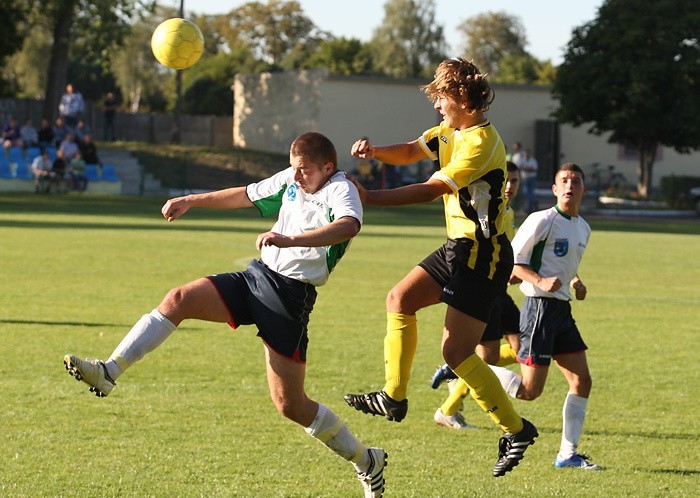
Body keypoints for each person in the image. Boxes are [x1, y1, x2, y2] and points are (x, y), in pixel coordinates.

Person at [62, 131, 388, 497]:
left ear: (328, 167)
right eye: (294, 169)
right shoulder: (291, 180)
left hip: (290, 298)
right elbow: (245, 194)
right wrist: (190, 199)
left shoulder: (340, 189)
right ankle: (110, 370)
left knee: (290, 405)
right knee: (179, 298)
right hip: (256, 277)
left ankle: (366, 460)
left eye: (305, 171)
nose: (296, 177)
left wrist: (290, 239)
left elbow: (349, 225)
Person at [343, 58, 538, 478]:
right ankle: (393, 397)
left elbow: (432, 189)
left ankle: (516, 430)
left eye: (442, 99)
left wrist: (370, 198)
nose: (438, 107)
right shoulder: (452, 130)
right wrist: (376, 152)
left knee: (456, 352)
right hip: (459, 247)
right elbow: (414, 150)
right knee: (400, 298)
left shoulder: (479, 143)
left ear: (464, 100)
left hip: (483, 254)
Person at [487, 163, 603, 471]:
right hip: (539, 307)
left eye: (575, 181)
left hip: (561, 310)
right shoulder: (542, 219)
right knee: (529, 391)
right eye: (563, 181)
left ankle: (567, 454)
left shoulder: (583, 228)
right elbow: (514, 262)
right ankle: (468, 370)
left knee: (582, 380)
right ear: (554, 189)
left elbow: (563, 262)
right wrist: (539, 281)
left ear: (583, 189)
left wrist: (575, 281)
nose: (569, 185)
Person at [431, 161, 523, 430]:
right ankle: (448, 409)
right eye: (507, 180)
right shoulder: (482, 210)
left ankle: (453, 368)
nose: (509, 187)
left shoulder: (510, 212)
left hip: (501, 290)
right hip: (484, 289)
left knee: (523, 350)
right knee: (488, 358)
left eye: (515, 181)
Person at [519, 148, 539, 213]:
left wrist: (525, 169)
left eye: (528, 153)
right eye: (526, 153)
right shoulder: (522, 160)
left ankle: (531, 207)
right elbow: (519, 168)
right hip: (524, 178)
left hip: (532, 178)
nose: (527, 155)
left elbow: (534, 170)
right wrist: (528, 169)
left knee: (531, 192)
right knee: (526, 193)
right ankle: (533, 204)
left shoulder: (533, 161)